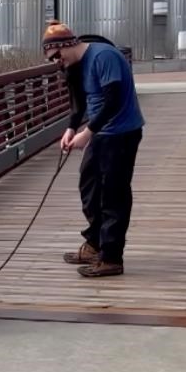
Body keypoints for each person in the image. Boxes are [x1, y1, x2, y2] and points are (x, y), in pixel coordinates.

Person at [42, 20, 145, 278]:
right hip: (101, 133)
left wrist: (86, 133)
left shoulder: (104, 56)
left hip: (121, 133)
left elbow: (113, 101)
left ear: (67, 46)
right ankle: (95, 243)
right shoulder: (75, 67)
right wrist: (70, 128)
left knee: (113, 194)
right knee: (89, 187)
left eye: (56, 56)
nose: (56, 62)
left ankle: (111, 257)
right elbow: (79, 105)